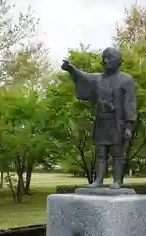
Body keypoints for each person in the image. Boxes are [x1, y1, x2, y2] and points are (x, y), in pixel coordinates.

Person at [61, 47, 137, 189]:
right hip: (102, 120)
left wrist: (128, 126)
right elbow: (83, 77)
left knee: (117, 154)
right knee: (101, 153)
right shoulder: (98, 78)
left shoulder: (126, 80)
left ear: (119, 61)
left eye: (110, 58)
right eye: (105, 58)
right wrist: (71, 69)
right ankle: (99, 180)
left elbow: (130, 103)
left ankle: (117, 181)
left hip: (117, 122)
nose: (106, 60)